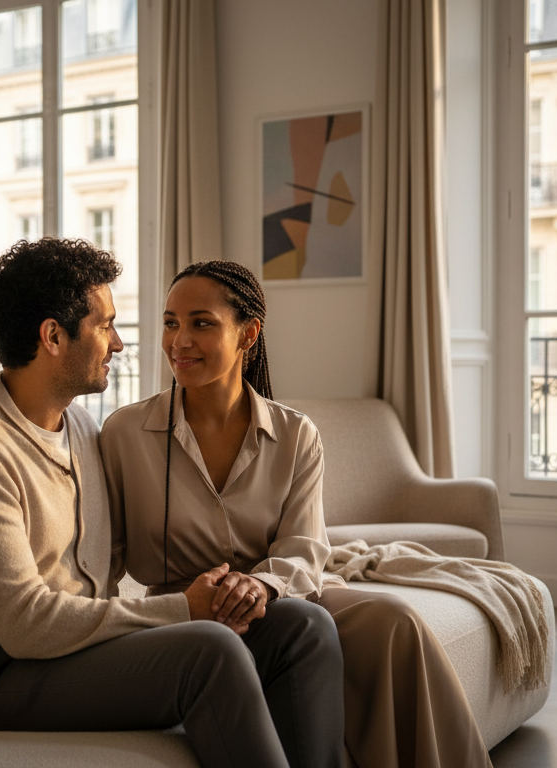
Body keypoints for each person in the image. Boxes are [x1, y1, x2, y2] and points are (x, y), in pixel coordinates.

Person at [0, 238, 345, 768]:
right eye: (106, 325)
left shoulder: (80, 427)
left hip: (78, 649)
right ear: (53, 336)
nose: (118, 343)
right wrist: (183, 609)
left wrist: (241, 590)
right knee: (210, 652)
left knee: (302, 626)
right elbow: (25, 626)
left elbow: (107, 562)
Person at [100, 260, 494, 768]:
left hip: (282, 591)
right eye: (170, 322)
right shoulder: (125, 433)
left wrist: (262, 585)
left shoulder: (295, 434)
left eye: (201, 323)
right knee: (306, 626)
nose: (179, 340)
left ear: (248, 334)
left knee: (395, 621)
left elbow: (304, 547)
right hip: (186, 607)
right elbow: (105, 555)